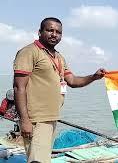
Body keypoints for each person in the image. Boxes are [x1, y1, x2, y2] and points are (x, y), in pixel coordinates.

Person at [13, 17, 107, 163]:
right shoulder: (29, 52)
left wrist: (94, 77)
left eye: (58, 32)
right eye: (50, 30)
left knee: (43, 159)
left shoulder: (59, 57)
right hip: (36, 119)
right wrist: (25, 120)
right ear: (40, 32)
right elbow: (19, 87)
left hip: (51, 117)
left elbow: (73, 81)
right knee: (38, 160)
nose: (54, 34)